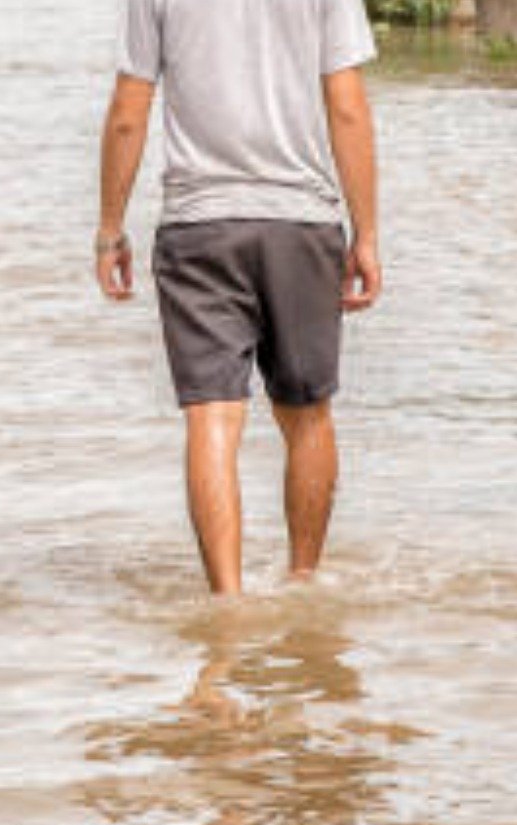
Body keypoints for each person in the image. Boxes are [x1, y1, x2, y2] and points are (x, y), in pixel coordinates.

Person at [94, 0, 382, 595]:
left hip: (199, 225)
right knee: (307, 415)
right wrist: (367, 234)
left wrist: (109, 229)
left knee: (212, 418)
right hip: (300, 220)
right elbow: (347, 104)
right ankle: (303, 584)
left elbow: (129, 110)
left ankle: (226, 605)